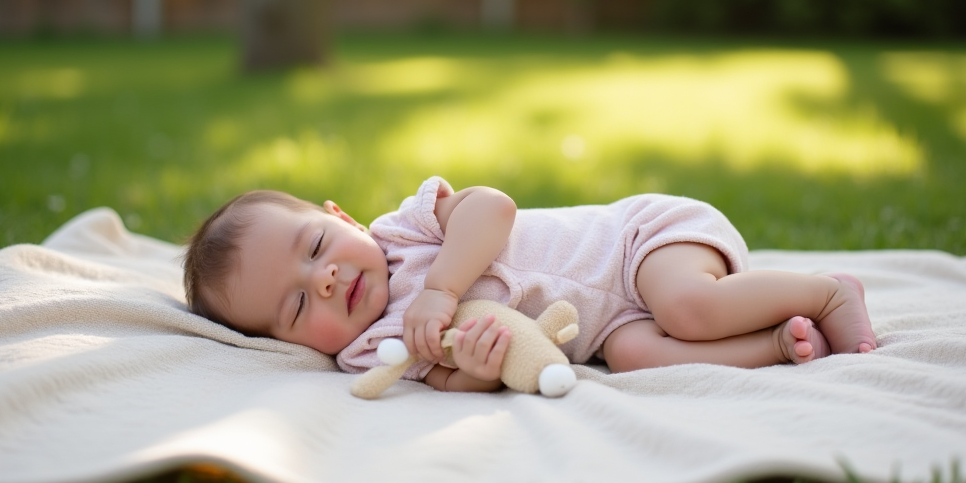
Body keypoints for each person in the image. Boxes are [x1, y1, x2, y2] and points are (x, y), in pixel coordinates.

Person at [183, 176, 876, 393]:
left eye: (315, 248)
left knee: (688, 307)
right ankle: (779, 346)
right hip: (602, 331)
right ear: (285, 341)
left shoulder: (402, 231)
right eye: (299, 302)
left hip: (637, 244)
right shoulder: (372, 354)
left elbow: (494, 209)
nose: (327, 278)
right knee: (638, 358)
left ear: (341, 217)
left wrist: (443, 289)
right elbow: (446, 380)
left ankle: (827, 293)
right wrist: (480, 373)